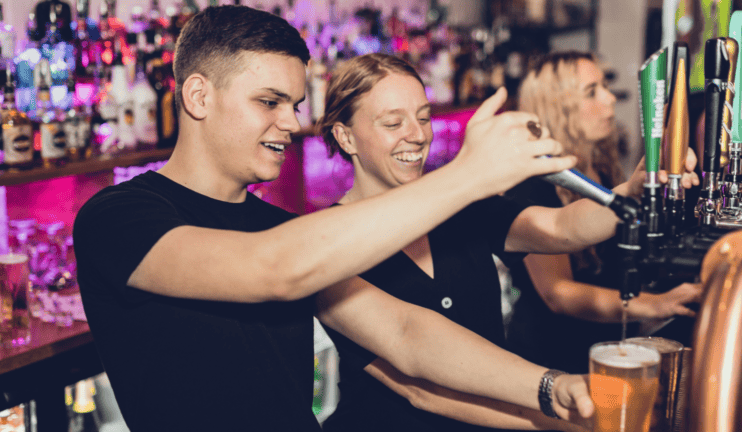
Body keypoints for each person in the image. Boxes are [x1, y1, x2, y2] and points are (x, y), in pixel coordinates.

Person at [72, 6, 594, 431]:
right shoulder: (120, 217)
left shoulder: (279, 226)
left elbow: (406, 333)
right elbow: (271, 270)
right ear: (198, 96)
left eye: (295, 104)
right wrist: (468, 176)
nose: (291, 123)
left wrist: (550, 387)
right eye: (270, 102)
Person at [313, 53, 698, 432]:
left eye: (424, 117)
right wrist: (559, 409)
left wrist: (632, 191)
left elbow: (560, 226)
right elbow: (420, 384)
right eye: (393, 122)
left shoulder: (458, 204)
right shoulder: (325, 244)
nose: (417, 134)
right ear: (346, 136)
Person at [503, 51, 702, 374]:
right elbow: (558, 293)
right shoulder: (533, 183)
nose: (610, 98)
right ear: (556, 107)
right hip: (553, 360)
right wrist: (655, 304)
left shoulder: (603, 170)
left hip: (606, 346)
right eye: (591, 91)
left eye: (605, 86)